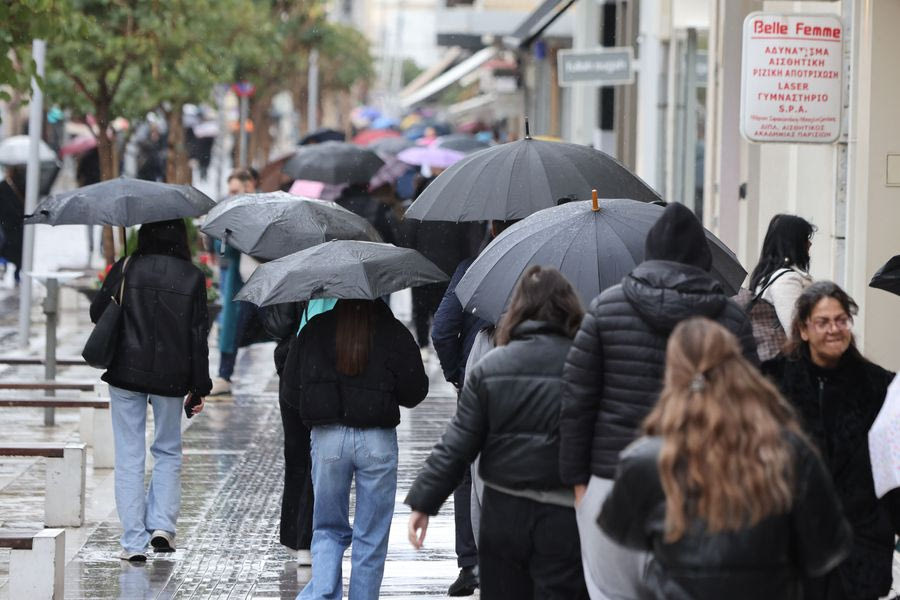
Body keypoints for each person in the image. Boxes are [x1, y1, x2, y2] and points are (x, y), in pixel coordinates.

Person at [559, 202, 758, 600]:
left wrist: (576, 481)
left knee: (611, 592)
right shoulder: (731, 320)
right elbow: (751, 409)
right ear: (702, 256)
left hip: (611, 473)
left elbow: (577, 400)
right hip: (702, 477)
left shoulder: (605, 310)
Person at [598, 317, 852, 599]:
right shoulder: (790, 452)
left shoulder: (646, 459)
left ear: (672, 375)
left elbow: (626, 536)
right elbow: (825, 550)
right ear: (736, 369)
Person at [406, 266, 589, 600]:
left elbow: (458, 442)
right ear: (569, 308)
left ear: (517, 310)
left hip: (504, 514)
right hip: (563, 516)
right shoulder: (584, 367)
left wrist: (424, 502)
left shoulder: (491, 368)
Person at [762, 281, 900, 600]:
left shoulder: (880, 387)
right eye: (823, 322)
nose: (834, 329)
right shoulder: (772, 382)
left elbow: (892, 465)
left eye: (841, 320)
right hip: (792, 543)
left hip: (859, 544)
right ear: (804, 329)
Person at [284, 298, 428, 600]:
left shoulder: (314, 329)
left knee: (326, 527)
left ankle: (322, 593)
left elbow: (290, 390)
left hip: (328, 440)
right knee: (371, 535)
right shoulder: (393, 332)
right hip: (377, 439)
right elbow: (415, 391)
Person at [89, 219, 211, 561]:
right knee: (168, 450)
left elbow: (97, 311)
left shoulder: (127, 267)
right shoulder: (191, 276)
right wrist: (200, 386)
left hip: (125, 374)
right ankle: (161, 527)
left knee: (129, 455)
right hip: (171, 378)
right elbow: (198, 336)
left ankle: (132, 544)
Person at [429, 219, 516, 596]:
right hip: (530, 383)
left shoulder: (473, 270)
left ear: (493, 229)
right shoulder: (546, 273)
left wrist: (457, 374)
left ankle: (472, 563)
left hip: (477, 383)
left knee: (468, 472)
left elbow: (442, 329)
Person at [210, 169, 256, 395]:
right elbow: (220, 250)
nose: (231, 195)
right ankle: (224, 374)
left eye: (235, 190)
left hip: (269, 284)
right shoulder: (230, 213)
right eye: (229, 191)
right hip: (242, 285)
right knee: (231, 329)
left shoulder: (266, 208)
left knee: (282, 330)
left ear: (250, 185)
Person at [744, 214, 816, 360]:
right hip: (786, 363)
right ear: (794, 243)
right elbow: (795, 329)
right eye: (805, 238)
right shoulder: (786, 280)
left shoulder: (770, 275)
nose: (809, 244)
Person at [0, 166, 26, 282]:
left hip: (15, 222)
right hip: (9, 222)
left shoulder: (19, 184)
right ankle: (8, 269)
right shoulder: (4, 185)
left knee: (14, 247)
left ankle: (13, 271)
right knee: (9, 247)